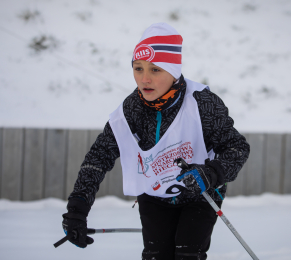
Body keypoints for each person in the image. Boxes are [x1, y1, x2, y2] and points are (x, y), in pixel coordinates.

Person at [61, 23, 250, 260]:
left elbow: (237, 148)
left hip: (201, 194)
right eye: (138, 68)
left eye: (156, 70)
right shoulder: (130, 111)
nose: (145, 79)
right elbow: (98, 158)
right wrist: (77, 210)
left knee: (188, 254)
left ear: (174, 71)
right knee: (156, 256)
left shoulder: (202, 102)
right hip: (154, 195)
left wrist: (210, 173)